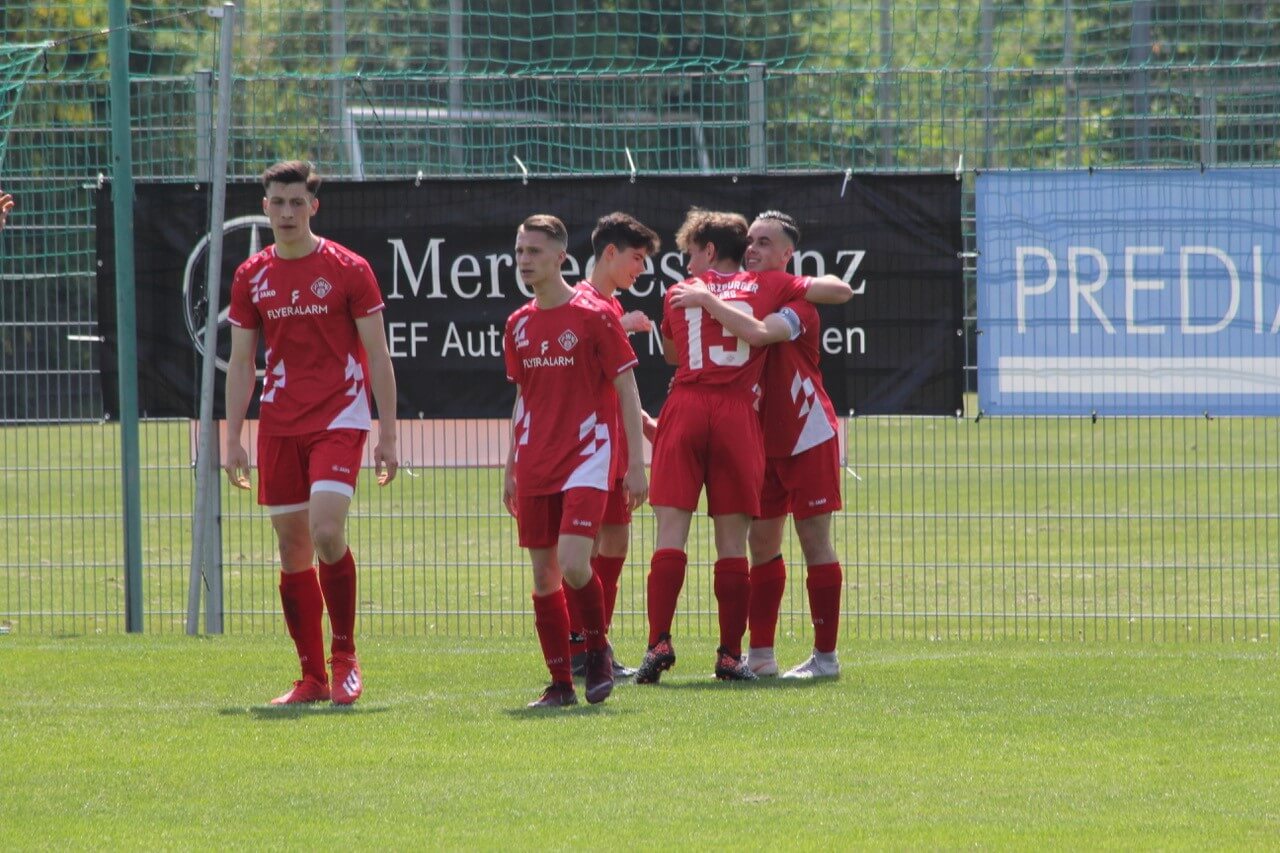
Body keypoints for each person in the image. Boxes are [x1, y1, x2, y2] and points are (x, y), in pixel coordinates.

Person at [636, 209, 851, 684]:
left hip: (805, 434)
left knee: (814, 541)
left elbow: (824, 298)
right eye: (750, 241)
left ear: (787, 254)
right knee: (759, 546)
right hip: (753, 434)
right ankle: (757, 654)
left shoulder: (788, 297)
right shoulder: (753, 289)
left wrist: (707, 297)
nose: (753, 249)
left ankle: (826, 656)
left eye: (765, 242)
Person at [223, 160, 399, 705]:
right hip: (279, 422)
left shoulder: (349, 268)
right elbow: (241, 362)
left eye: (297, 202)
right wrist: (232, 439)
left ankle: (344, 655)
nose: (287, 212)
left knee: (326, 532)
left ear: (313, 207)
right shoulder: (252, 274)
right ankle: (311, 677)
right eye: (277, 202)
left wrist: (387, 433)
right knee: (293, 547)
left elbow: (377, 353)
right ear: (265, 207)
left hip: (339, 417)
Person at [502, 214, 649, 708]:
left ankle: (597, 646)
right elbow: (523, 397)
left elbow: (626, 386)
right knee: (543, 576)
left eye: (535, 252)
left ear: (561, 257)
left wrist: (636, 463)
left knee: (573, 563)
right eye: (521, 251)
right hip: (536, 460)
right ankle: (561, 684)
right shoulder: (518, 324)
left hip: (588, 456)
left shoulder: (594, 314)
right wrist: (510, 466)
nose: (525, 261)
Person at [567, 211, 661, 680]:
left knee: (612, 541)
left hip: (609, 440)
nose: (641, 270)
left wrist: (642, 423)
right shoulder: (591, 305)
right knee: (587, 548)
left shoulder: (602, 305)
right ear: (609, 253)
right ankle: (584, 644)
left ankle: (588, 644)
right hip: (593, 446)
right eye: (636, 258)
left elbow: (608, 382)